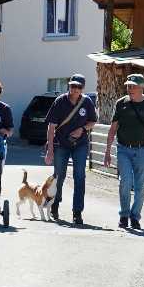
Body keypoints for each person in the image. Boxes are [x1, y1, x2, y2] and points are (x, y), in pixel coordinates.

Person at [104, 72, 144, 232]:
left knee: (141, 185)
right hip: (123, 149)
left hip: (143, 150)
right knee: (125, 181)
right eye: (128, 86)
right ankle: (124, 215)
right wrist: (107, 151)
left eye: (133, 86)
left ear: (141, 87)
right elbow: (113, 129)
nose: (129, 89)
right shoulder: (121, 103)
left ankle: (135, 217)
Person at [44, 73, 98, 226]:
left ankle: (77, 212)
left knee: (79, 177)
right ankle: (55, 204)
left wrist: (83, 129)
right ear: (69, 86)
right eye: (73, 86)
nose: (75, 89)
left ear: (82, 88)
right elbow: (51, 127)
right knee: (59, 176)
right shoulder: (60, 101)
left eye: (78, 87)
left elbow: (92, 121)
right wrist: (50, 149)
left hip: (80, 145)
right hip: (61, 144)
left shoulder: (87, 102)